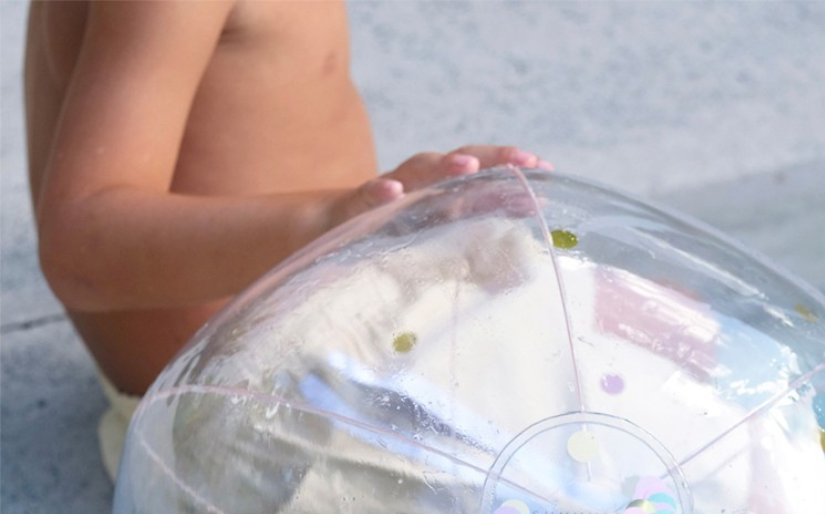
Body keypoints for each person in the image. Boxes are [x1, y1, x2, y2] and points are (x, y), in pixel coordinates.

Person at [24, 0, 551, 403]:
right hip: (270, 414)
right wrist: (337, 222)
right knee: (592, 386)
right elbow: (80, 250)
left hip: (305, 349)